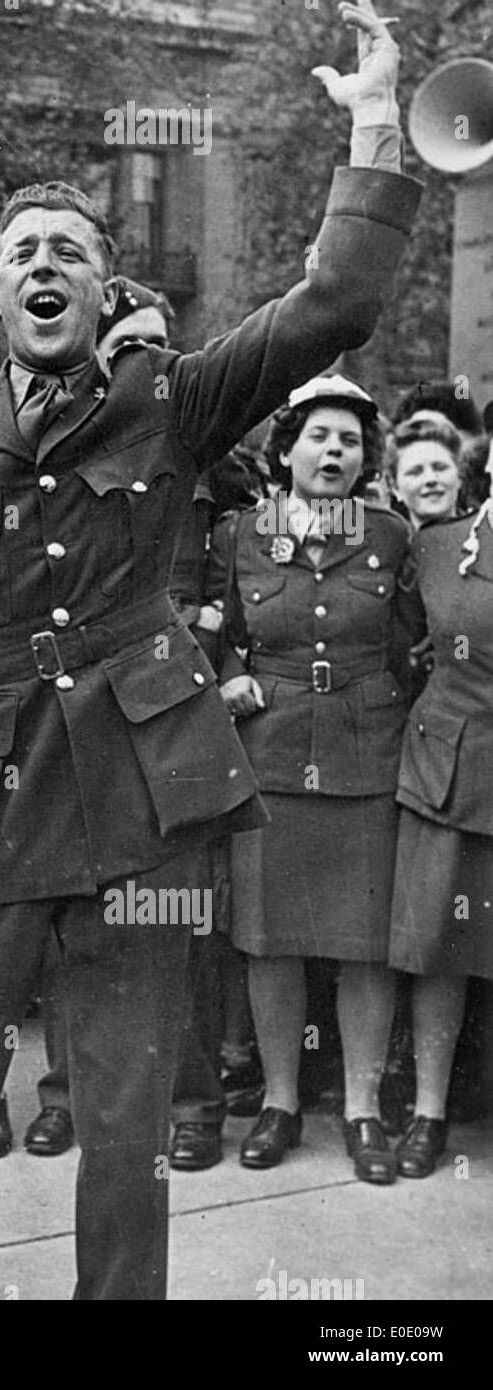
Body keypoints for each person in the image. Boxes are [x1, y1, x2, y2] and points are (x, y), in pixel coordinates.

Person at [0, 1, 420, 1298]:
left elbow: (335, 301)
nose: (46, 264)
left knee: (127, 1131)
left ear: (104, 292)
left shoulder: (175, 400)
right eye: (24, 251)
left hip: (140, 809)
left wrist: (376, 118)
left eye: (71, 249)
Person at [212, 374, 423, 1185]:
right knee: (270, 942)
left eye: (349, 441)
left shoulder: (393, 536)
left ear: (366, 458)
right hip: (268, 755)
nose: (333, 452)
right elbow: (215, 626)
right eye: (318, 437)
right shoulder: (241, 535)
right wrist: (228, 674)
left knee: (364, 945)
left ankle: (363, 1109)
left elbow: (416, 642)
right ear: (287, 448)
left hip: (366, 756)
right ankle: (279, 1101)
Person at [387, 488, 493, 1176]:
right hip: (449, 770)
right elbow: (397, 645)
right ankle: (429, 1111)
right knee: (438, 950)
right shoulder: (435, 545)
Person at [388, 415, 464, 529]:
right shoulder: (387, 544)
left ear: (459, 476)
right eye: (415, 472)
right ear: (394, 487)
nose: (430, 479)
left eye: (440, 468)